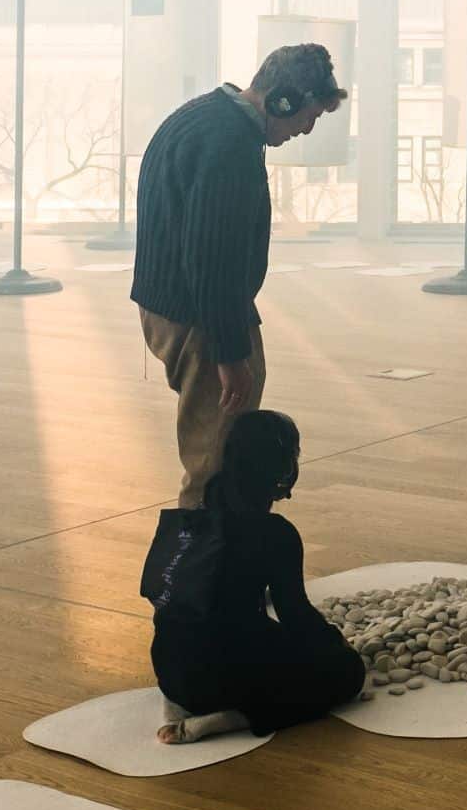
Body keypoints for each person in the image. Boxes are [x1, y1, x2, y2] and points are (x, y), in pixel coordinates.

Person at [132, 43, 345, 507]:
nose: (305, 129)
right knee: (216, 458)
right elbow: (213, 258)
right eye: (306, 116)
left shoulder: (202, 115)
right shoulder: (229, 146)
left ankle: (217, 564)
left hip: (172, 305)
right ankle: (199, 571)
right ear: (282, 101)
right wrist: (230, 354)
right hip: (199, 316)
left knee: (214, 446)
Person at [142, 408, 365, 743]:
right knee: (347, 675)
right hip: (224, 679)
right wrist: (335, 641)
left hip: (170, 671)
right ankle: (236, 717)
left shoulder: (192, 521)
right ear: (283, 469)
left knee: (236, 637)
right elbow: (295, 614)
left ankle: (183, 706)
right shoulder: (276, 534)